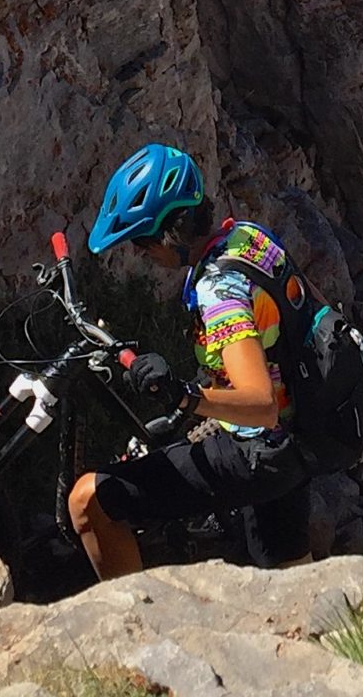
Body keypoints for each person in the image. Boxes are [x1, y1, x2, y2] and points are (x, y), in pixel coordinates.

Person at [66, 143, 312, 580]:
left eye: (142, 242)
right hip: (301, 431)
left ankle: (137, 624)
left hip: (262, 449)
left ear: (171, 234)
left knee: (89, 501)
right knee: (291, 575)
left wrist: (183, 397)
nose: (140, 253)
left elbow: (259, 404)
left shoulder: (218, 294)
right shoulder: (248, 238)